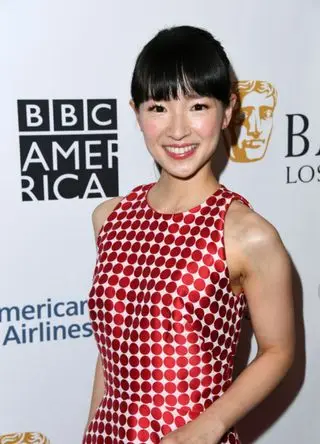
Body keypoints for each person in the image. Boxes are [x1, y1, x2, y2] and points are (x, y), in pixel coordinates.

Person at [83, 26, 294, 444]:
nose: (177, 130)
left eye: (197, 105)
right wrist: (90, 430)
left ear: (228, 110)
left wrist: (210, 426)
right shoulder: (108, 217)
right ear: (136, 112)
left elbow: (279, 350)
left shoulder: (248, 235)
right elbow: (111, 355)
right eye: (158, 108)